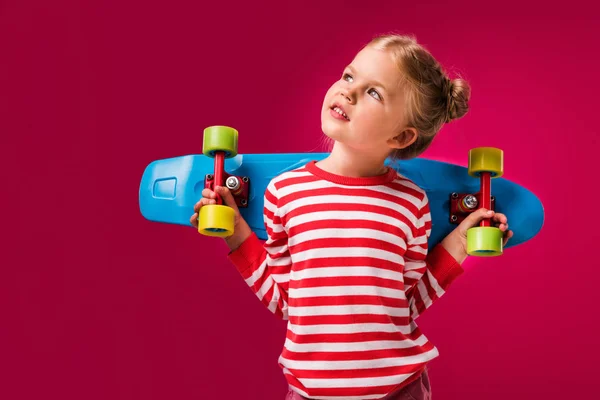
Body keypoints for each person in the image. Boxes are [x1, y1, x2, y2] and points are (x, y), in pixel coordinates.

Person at [190, 33, 513, 400]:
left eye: (374, 92)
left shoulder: (410, 203)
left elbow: (406, 304)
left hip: (399, 390)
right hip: (311, 392)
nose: (348, 92)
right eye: (348, 76)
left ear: (402, 136)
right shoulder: (285, 194)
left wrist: (458, 244)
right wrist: (234, 233)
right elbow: (285, 301)